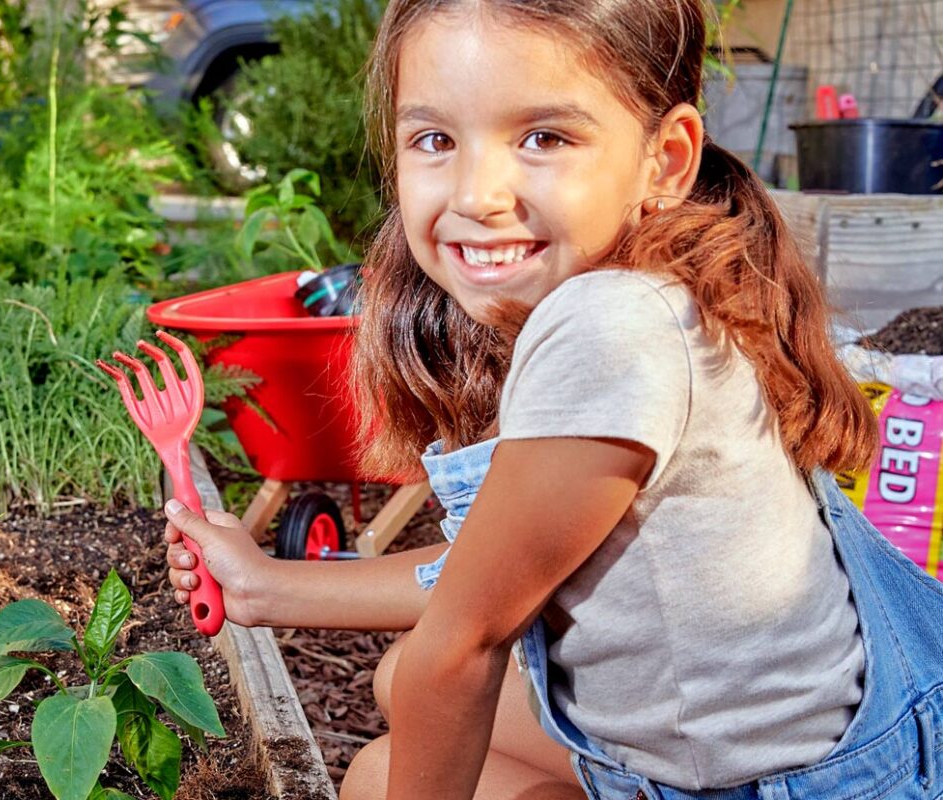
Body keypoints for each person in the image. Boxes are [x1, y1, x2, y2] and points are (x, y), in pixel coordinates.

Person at [161, 0, 943, 797]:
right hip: (800, 744)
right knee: (399, 676)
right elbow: (500, 566)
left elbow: (463, 646)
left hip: (787, 784)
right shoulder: (677, 276)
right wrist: (267, 586)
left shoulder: (607, 325)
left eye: (544, 138)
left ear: (664, 161)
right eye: (436, 139)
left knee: (383, 767)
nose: (477, 194)